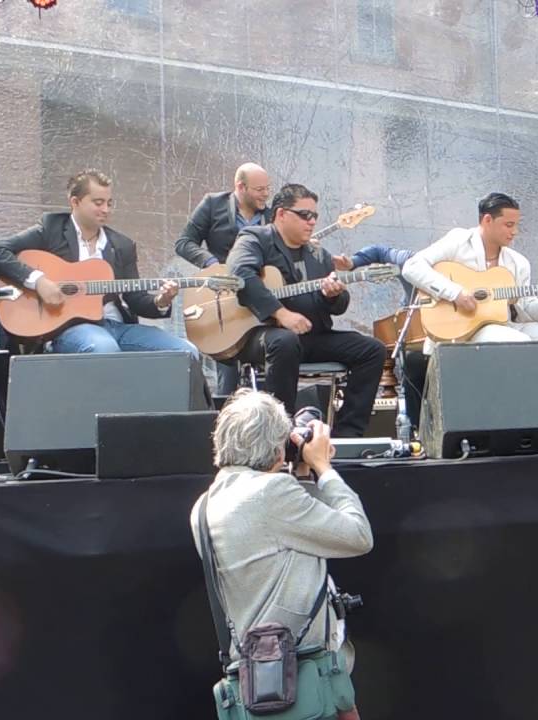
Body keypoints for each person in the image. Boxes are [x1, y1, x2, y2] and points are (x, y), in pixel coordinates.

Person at [190, 389, 371, 720]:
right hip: (307, 677)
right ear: (276, 447)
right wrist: (323, 468)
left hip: (261, 679)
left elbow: (297, 534)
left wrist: (300, 473)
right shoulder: (270, 493)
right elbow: (358, 536)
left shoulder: (204, 505)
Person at [0, 169, 199, 360]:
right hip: (68, 328)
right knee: (104, 348)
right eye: (98, 202)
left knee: (186, 351)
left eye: (109, 203)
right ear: (75, 202)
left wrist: (161, 301)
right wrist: (39, 282)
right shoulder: (51, 228)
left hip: (117, 326)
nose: (106, 209)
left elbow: (135, 299)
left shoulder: (121, 245)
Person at [226, 184, 386, 437]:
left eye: (314, 216)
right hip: (262, 334)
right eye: (304, 215)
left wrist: (333, 296)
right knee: (285, 341)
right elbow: (241, 275)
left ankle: (347, 436)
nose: (311, 221)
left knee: (373, 350)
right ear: (281, 214)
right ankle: (282, 435)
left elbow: (339, 305)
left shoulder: (318, 254)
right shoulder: (255, 239)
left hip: (313, 336)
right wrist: (281, 314)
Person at [401, 192, 538, 344]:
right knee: (518, 342)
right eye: (509, 225)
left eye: (516, 225)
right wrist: (455, 294)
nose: (515, 231)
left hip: (506, 327)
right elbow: (411, 267)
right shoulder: (459, 241)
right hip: (462, 332)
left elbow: (526, 312)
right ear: (487, 220)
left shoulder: (519, 263)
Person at [175, 163, 274, 395]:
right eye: (259, 189)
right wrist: (212, 265)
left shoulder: (272, 216)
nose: (266, 194)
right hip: (222, 298)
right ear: (241, 187)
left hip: (259, 295)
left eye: (267, 188)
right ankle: (225, 410)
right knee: (227, 372)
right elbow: (184, 242)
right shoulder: (213, 204)